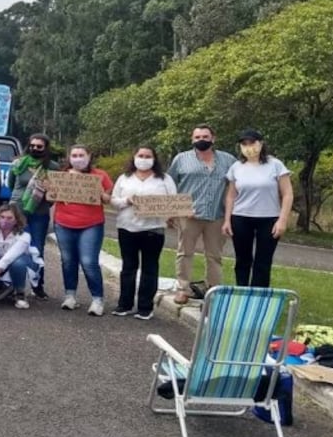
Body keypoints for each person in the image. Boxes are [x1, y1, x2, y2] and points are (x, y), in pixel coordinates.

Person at [166, 123, 236, 305]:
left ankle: (213, 291)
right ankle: (183, 289)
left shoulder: (228, 160)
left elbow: (235, 186)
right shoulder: (181, 159)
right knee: (184, 252)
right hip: (189, 215)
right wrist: (171, 211)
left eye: (205, 137)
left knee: (214, 256)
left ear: (213, 138)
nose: (201, 140)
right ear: (192, 139)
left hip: (217, 215)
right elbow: (170, 184)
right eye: (197, 137)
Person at [109, 146, 178, 320]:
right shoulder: (124, 178)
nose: (144, 158)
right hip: (127, 227)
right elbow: (114, 201)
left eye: (148, 156)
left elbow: (174, 201)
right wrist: (127, 200)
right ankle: (124, 305)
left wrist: (170, 215)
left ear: (154, 159)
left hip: (153, 229)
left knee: (150, 268)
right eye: (141, 155)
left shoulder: (164, 179)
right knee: (128, 268)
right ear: (134, 157)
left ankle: (145, 307)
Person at [222, 129, 293, 287]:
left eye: (252, 143)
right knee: (242, 260)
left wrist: (282, 220)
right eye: (244, 144)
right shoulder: (236, 167)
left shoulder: (275, 165)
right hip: (240, 217)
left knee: (263, 261)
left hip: (268, 219)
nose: (249, 147)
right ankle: (242, 291)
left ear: (260, 143)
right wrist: (227, 220)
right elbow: (231, 196)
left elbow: (287, 194)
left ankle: (258, 295)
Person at [51, 144, 112, 316]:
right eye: (74, 155)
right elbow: (52, 197)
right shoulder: (61, 176)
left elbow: (108, 200)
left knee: (88, 262)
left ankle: (97, 299)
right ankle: (70, 295)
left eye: (81, 155)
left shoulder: (100, 175)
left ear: (89, 156)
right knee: (68, 260)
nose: (78, 158)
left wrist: (100, 191)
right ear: (69, 158)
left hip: (91, 224)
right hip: (63, 223)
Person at [8, 133, 57, 300]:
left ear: (46, 148)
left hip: (39, 212)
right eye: (32, 145)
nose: (35, 148)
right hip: (17, 211)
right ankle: (12, 285)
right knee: (13, 247)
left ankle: (38, 286)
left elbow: (55, 192)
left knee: (37, 249)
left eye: (39, 146)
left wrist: (46, 201)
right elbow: (11, 184)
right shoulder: (18, 164)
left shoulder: (53, 167)